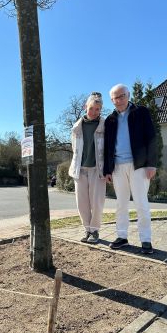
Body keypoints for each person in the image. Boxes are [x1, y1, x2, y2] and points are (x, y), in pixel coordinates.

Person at [104, 84, 157, 254]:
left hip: (139, 165)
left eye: (121, 96)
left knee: (141, 203)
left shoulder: (141, 112)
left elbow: (151, 138)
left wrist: (151, 163)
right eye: (114, 98)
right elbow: (107, 147)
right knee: (121, 204)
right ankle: (122, 236)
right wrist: (107, 170)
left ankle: (146, 240)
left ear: (128, 95)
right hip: (117, 167)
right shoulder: (109, 119)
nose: (118, 101)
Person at [68, 92, 106, 244]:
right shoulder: (76, 127)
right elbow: (74, 148)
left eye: (98, 109)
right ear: (86, 107)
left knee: (96, 202)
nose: (94, 112)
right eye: (91, 108)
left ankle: (95, 230)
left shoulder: (105, 125)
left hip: (98, 169)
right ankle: (87, 229)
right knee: (82, 202)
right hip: (80, 169)